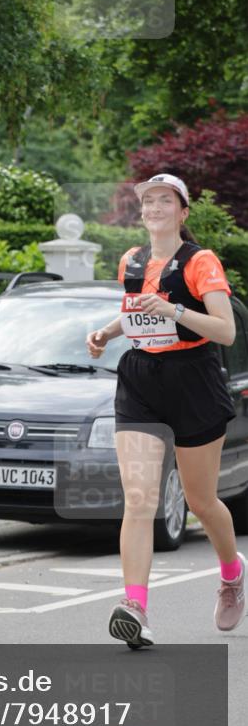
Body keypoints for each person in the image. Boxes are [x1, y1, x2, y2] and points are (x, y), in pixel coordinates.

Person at [85, 173, 241, 648]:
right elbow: (136, 310)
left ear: (182, 211)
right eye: (147, 200)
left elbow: (226, 331)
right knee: (139, 498)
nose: (153, 207)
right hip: (140, 381)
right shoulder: (131, 260)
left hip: (193, 378)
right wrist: (108, 333)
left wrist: (173, 311)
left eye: (164, 200)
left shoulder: (201, 262)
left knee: (200, 501)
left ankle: (232, 575)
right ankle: (135, 607)